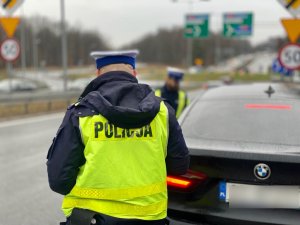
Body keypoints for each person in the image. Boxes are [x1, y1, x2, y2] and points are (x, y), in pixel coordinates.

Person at [47, 50, 190, 225]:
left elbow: (59, 181)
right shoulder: (163, 111)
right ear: (134, 73)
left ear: (98, 73)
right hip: (149, 219)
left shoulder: (81, 113)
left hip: (92, 218)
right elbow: (180, 166)